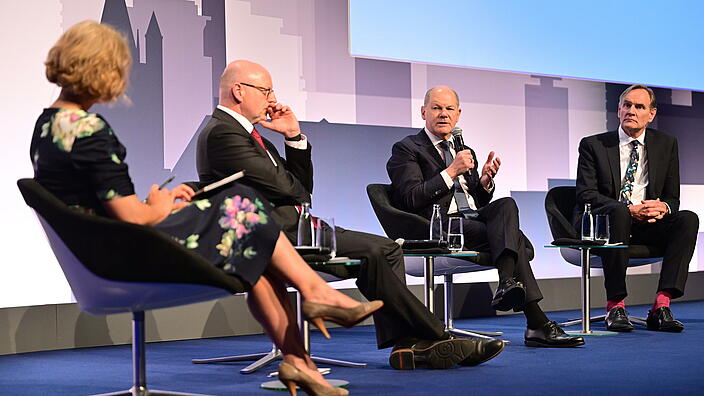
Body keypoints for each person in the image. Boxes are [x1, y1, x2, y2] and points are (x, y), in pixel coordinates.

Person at [33, 21, 384, 396]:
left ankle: (299, 362)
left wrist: (165, 201)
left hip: (97, 248)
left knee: (254, 253)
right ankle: (318, 295)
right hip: (120, 253)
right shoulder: (88, 129)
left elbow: (94, 206)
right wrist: (160, 203)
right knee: (244, 204)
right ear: (102, 70)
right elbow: (132, 216)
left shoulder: (48, 124)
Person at [196, 60, 505, 370]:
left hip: (298, 229)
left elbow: (301, 188)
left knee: (387, 249)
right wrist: (294, 187)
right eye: (266, 91)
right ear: (239, 90)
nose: (272, 100)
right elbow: (293, 191)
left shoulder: (245, 134)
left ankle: (408, 344)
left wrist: (293, 136)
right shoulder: (224, 134)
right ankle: (436, 337)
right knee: (375, 252)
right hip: (275, 238)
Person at [386, 86, 584, 348]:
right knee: (516, 244)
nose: (443, 114)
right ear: (424, 112)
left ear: (458, 115)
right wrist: (451, 171)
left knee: (505, 205)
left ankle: (507, 284)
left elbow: (476, 203)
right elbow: (411, 198)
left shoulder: (464, 149)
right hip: (438, 226)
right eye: (436, 108)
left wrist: (485, 182)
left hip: (471, 221)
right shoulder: (407, 149)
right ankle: (536, 322)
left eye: (449, 109)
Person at [575, 84, 698, 332]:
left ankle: (661, 306)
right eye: (627, 105)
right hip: (607, 224)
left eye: (639, 106)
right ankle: (615, 306)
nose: (632, 110)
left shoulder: (667, 144)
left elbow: (673, 198)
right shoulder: (594, 145)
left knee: (688, 219)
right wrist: (628, 210)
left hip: (648, 225)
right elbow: (585, 194)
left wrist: (662, 207)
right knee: (620, 212)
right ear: (618, 110)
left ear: (651, 114)